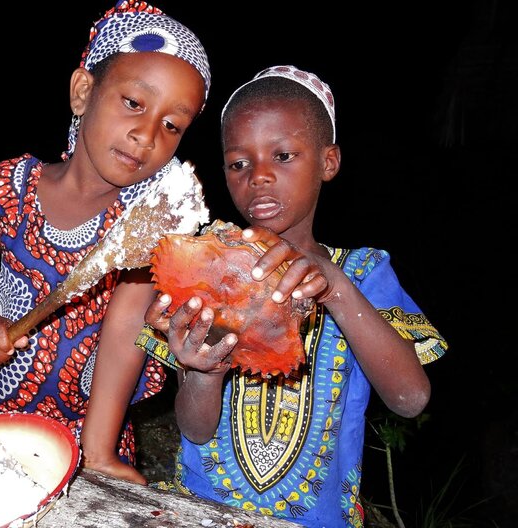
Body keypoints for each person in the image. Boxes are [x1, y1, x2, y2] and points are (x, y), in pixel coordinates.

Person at [0, 0, 211, 486]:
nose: (146, 134)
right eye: (134, 103)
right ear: (83, 91)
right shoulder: (9, 187)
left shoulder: (144, 229)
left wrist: (97, 451)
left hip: (85, 419)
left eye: (172, 125)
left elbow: (122, 336)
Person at [137, 65, 448, 526]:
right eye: (238, 163)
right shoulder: (206, 263)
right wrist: (201, 372)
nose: (258, 176)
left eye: (282, 155)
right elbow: (195, 430)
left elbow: (410, 398)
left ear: (328, 161)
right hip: (206, 513)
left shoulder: (362, 273)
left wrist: (336, 287)